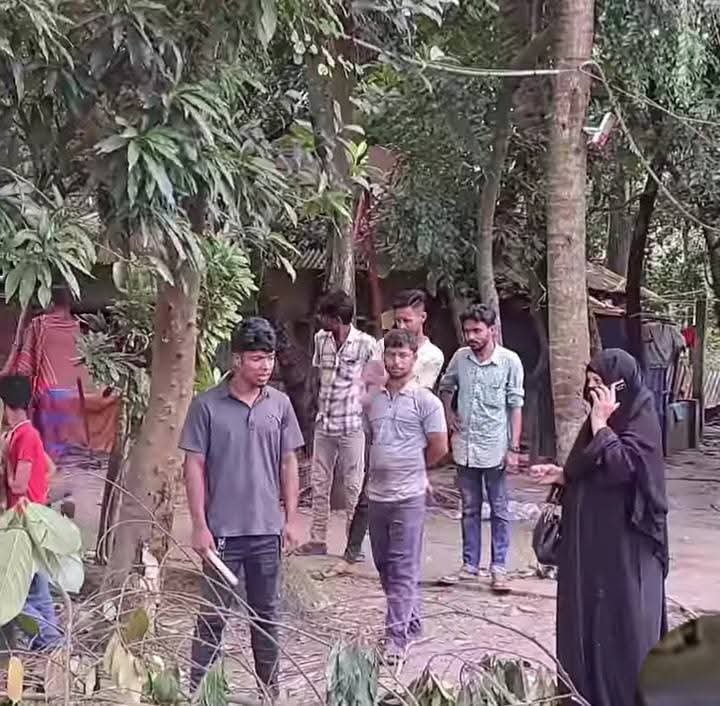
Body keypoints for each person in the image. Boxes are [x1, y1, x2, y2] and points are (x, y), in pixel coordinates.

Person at [531, 349, 668, 706]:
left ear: (622, 386)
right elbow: (589, 466)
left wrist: (601, 424)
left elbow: (621, 468)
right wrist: (564, 474)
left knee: (624, 626)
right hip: (589, 546)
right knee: (586, 620)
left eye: (601, 384)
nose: (593, 391)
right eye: (589, 383)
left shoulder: (641, 420)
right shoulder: (597, 422)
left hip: (626, 549)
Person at [179, 318, 304, 696]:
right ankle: (197, 692)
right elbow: (194, 466)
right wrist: (199, 525)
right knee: (213, 616)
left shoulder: (280, 405)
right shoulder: (206, 406)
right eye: (256, 358)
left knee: (266, 617)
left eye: (269, 358)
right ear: (237, 360)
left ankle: (270, 693)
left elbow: (289, 462)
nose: (266, 366)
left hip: (267, 531)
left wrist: (292, 518)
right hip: (222, 534)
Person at [328, 289, 445, 574]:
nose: (400, 325)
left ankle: (403, 561)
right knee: (369, 492)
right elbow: (369, 381)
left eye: (407, 320)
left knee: (407, 503)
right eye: (397, 320)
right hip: (382, 422)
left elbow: (415, 387)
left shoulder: (432, 355)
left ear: (422, 318)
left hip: (411, 428)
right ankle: (352, 554)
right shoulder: (383, 345)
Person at [365, 329, 448, 663]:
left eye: (403, 355)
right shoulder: (374, 400)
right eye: (391, 354)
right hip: (377, 495)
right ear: (384, 357)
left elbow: (440, 446)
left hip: (409, 496)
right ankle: (411, 622)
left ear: (414, 359)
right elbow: (371, 439)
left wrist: (415, 467)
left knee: (402, 566)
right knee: (384, 565)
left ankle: (395, 638)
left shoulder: (426, 402)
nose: (396, 361)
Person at [437, 304, 524, 593]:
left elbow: (515, 405)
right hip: (465, 446)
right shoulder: (460, 358)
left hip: (495, 446)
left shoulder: (510, 361)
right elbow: (446, 386)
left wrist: (513, 448)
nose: (471, 337)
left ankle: (499, 567)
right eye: (467, 331)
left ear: (492, 331)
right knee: (469, 508)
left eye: (477, 331)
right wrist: (448, 413)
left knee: (499, 509)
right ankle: (469, 566)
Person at [296, 290, 377, 556]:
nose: (321, 321)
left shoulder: (366, 344)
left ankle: (354, 546)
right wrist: (313, 408)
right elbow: (317, 374)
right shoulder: (321, 339)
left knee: (354, 487)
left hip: (352, 426)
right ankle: (317, 539)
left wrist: (363, 408)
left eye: (325, 316)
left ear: (338, 320)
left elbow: (375, 383)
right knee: (319, 483)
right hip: (325, 423)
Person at [0, 375, 62, 650]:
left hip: (25, 523)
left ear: (5, 405)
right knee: (39, 591)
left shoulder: (24, 436)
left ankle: (50, 642)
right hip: (32, 517)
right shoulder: (25, 434)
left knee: (15, 595)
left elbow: (18, 485)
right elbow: (50, 469)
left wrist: (6, 459)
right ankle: (55, 648)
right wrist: (40, 495)